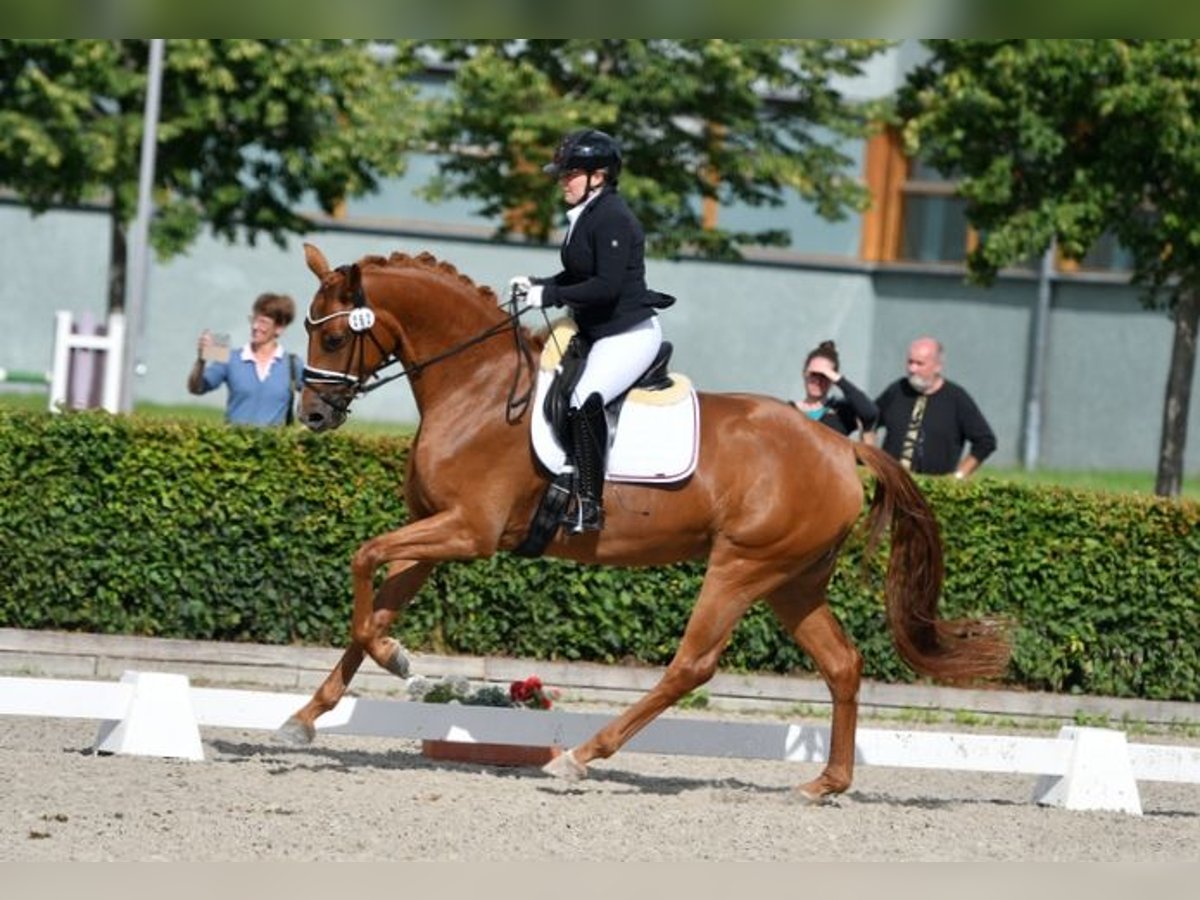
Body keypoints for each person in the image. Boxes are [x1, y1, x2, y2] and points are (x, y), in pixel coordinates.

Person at [508, 129, 674, 534]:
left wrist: (548, 295)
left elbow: (606, 286)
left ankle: (589, 503)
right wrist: (539, 283)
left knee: (584, 400)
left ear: (598, 176)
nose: (563, 181)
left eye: (571, 174)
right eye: (563, 174)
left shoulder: (613, 217)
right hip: (597, 330)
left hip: (628, 334)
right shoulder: (587, 214)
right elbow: (578, 273)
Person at [870, 335, 996, 478]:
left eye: (919, 363)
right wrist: (873, 461)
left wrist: (957, 477)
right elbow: (870, 419)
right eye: (910, 362)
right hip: (892, 482)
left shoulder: (956, 398)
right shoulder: (897, 390)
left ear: (937, 366)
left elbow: (985, 442)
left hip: (931, 488)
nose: (912, 369)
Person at [187, 292, 302, 427]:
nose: (255, 327)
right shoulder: (230, 357)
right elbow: (196, 388)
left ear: (279, 328)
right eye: (253, 320)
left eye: (263, 322)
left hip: (274, 446)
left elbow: (317, 398)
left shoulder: (293, 364)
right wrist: (201, 360)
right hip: (234, 444)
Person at [791, 340, 878, 438]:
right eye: (813, 374)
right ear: (804, 374)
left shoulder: (840, 411)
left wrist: (840, 380)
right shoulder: (789, 410)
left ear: (832, 379)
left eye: (824, 376)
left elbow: (870, 413)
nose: (817, 381)